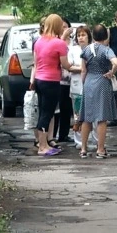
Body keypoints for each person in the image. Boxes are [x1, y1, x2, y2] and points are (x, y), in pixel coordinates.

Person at [30, 13, 72, 156]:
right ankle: (43, 147)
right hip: (51, 82)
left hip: (39, 80)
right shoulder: (59, 43)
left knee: (43, 112)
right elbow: (65, 65)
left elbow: (36, 63)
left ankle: (43, 143)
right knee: (47, 114)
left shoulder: (38, 41)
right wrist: (78, 67)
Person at [79, 24, 117, 159]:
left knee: (87, 117)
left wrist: (84, 83)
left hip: (89, 81)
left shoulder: (86, 50)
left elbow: (83, 70)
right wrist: (111, 72)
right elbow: (116, 63)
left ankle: (83, 149)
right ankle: (100, 149)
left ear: (93, 35)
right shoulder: (106, 50)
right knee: (102, 118)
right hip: (102, 82)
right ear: (106, 36)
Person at [70, 26, 95, 151]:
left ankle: (95, 139)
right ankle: (79, 141)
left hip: (91, 85)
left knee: (94, 114)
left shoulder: (93, 49)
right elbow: (69, 66)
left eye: (83, 35)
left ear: (89, 37)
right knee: (77, 114)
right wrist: (83, 68)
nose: (81, 38)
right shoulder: (73, 50)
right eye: (79, 35)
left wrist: (82, 68)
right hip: (76, 84)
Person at [52, 20, 75, 146]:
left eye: (66, 27)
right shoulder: (56, 41)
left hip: (71, 80)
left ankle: (64, 134)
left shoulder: (73, 43)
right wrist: (63, 37)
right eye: (61, 27)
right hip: (58, 79)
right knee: (57, 109)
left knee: (67, 108)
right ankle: (52, 135)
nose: (64, 29)